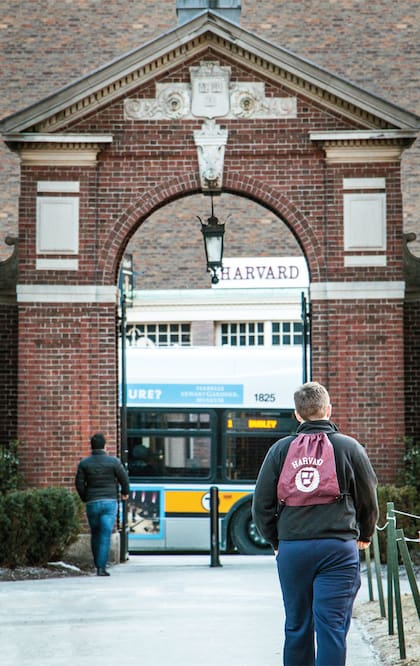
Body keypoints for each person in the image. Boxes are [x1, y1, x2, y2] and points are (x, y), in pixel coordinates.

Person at [252, 381, 378, 666]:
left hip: (293, 548)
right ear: (329, 409)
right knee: (332, 628)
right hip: (338, 548)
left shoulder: (279, 450)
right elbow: (369, 498)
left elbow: (261, 505)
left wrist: (276, 540)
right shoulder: (349, 447)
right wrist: (365, 534)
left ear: (297, 414)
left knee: (297, 626)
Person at [75, 433, 130, 576]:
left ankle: (96, 563)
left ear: (91, 446)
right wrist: (125, 492)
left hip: (92, 502)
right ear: (105, 446)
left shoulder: (84, 463)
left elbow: (79, 484)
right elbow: (124, 479)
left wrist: (85, 497)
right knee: (105, 534)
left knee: (95, 533)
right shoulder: (114, 462)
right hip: (109, 502)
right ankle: (101, 568)